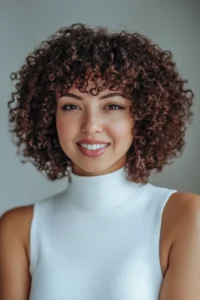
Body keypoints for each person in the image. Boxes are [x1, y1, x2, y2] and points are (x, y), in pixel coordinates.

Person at [0, 23, 200, 300]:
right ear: (47, 116)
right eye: (71, 106)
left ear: (142, 115)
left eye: (112, 106)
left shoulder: (184, 215)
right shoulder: (18, 228)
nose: (91, 125)